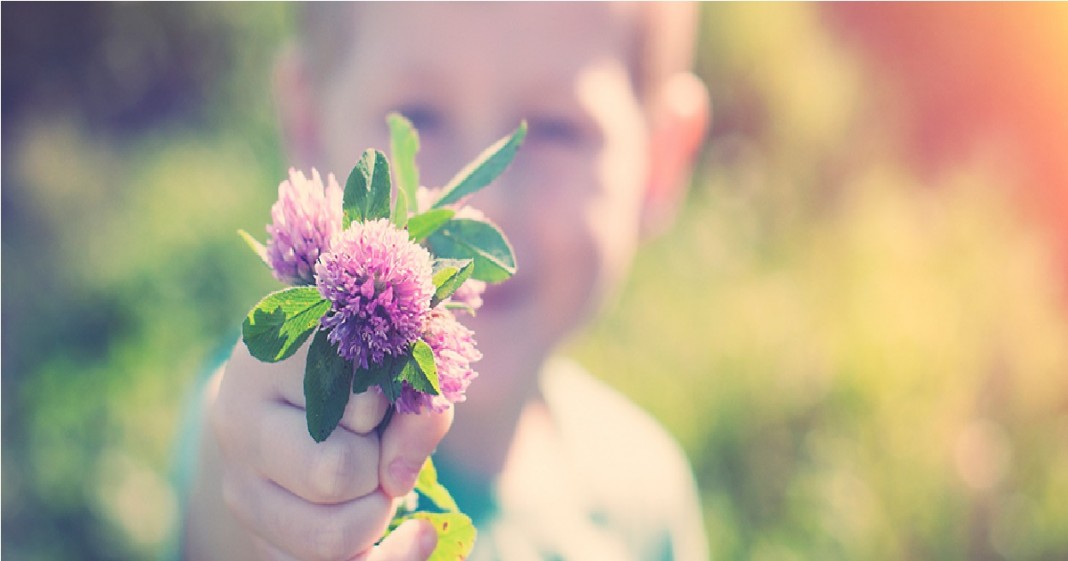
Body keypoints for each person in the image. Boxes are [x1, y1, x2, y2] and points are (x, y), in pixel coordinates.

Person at [181, 3, 711, 560]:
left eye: (556, 129)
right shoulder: (247, 432)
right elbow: (241, 474)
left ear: (660, 157)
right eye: (418, 117)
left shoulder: (649, 489)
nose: (482, 207)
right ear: (308, 123)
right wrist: (276, 502)